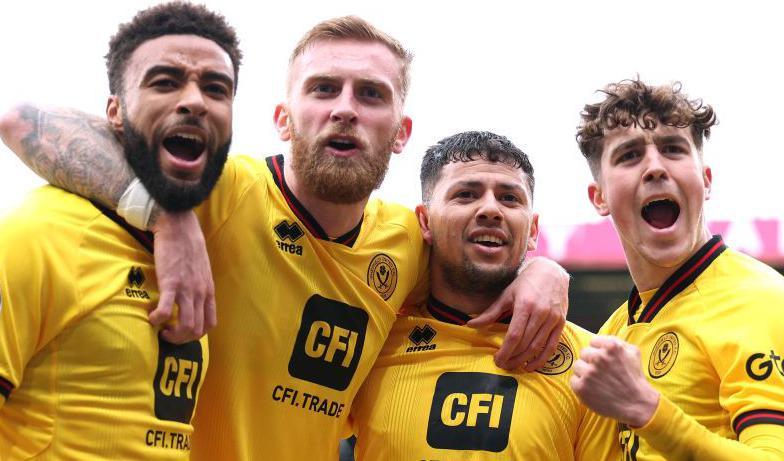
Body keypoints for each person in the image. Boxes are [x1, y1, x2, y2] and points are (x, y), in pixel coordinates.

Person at [0, 15, 569, 460]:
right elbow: (22, 119)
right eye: (323, 89)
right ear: (284, 119)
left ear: (401, 133)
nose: (344, 109)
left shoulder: (404, 243)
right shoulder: (224, 191)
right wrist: (168, 216)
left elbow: (477, 257)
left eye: (370, 95)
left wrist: (543, 271)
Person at [0, 3, 241, 459]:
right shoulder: (39, 236)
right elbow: (15, 118)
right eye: (164, 82)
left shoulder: (212, 232)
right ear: (114, 112)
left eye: (216, 88)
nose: (194, 101)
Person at [569, 79, 784, 460]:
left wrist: (648, 411)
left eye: (673, 149)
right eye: (630, 155)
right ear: (599, 196)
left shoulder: (763, 303)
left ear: (705, 181)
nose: (655, 167)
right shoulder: (614, 331)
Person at [352, 131, 619, 460]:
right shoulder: (372, 339)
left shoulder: (589, 364)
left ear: (532, 231)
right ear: (424, 221)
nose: (491, 210)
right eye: (466, 194)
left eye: (509, 198)